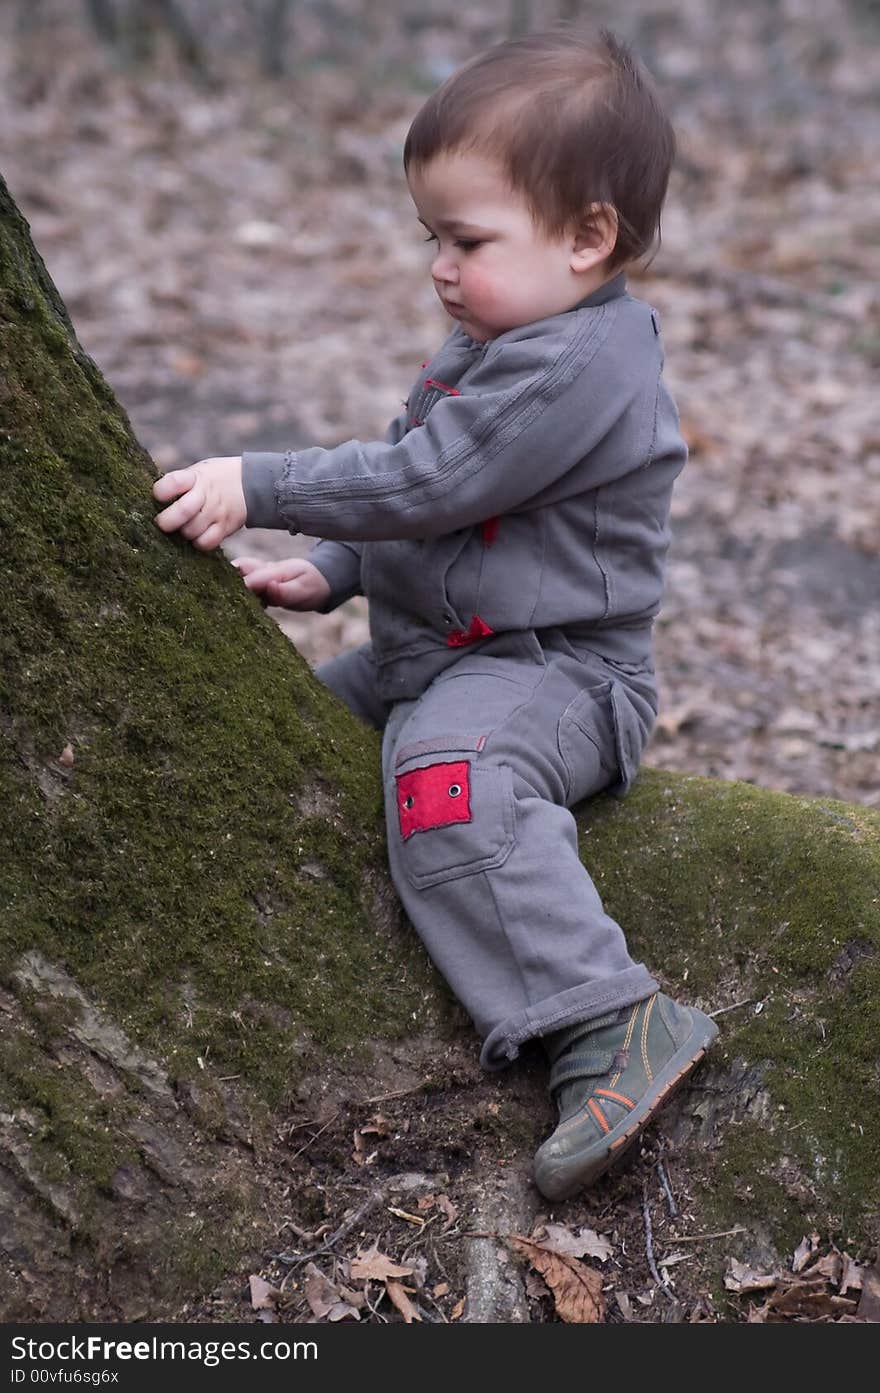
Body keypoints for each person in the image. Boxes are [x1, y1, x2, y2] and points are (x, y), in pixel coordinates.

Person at [152, 26, 718, 1202]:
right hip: (438, 649)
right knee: (272, 738)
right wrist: (345, 567)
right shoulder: (507, 333)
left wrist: (265, 485)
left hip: (557, 676)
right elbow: (438, 486)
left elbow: (435, 478)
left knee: (443, 781)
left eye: (465, 240)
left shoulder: (575, 364)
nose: (438, 267)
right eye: (432, 239)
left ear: (586, 238)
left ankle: (608, 1017)